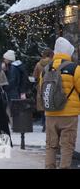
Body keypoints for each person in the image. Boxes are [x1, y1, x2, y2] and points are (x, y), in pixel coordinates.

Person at [40, 37, 80, 169]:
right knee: (67, 146)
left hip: (50, 113)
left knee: (51, 145)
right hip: (69, 115)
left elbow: (42, 89)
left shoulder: (46, 69)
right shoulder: (75, 68)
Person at [33, 48, 54, 132]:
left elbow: (35, 76)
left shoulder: (38, 64)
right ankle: (49, 124)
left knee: (42, 105)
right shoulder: (54, 63)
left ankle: (43, 123)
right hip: (52, 85)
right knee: (50, 104)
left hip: (41, 86)